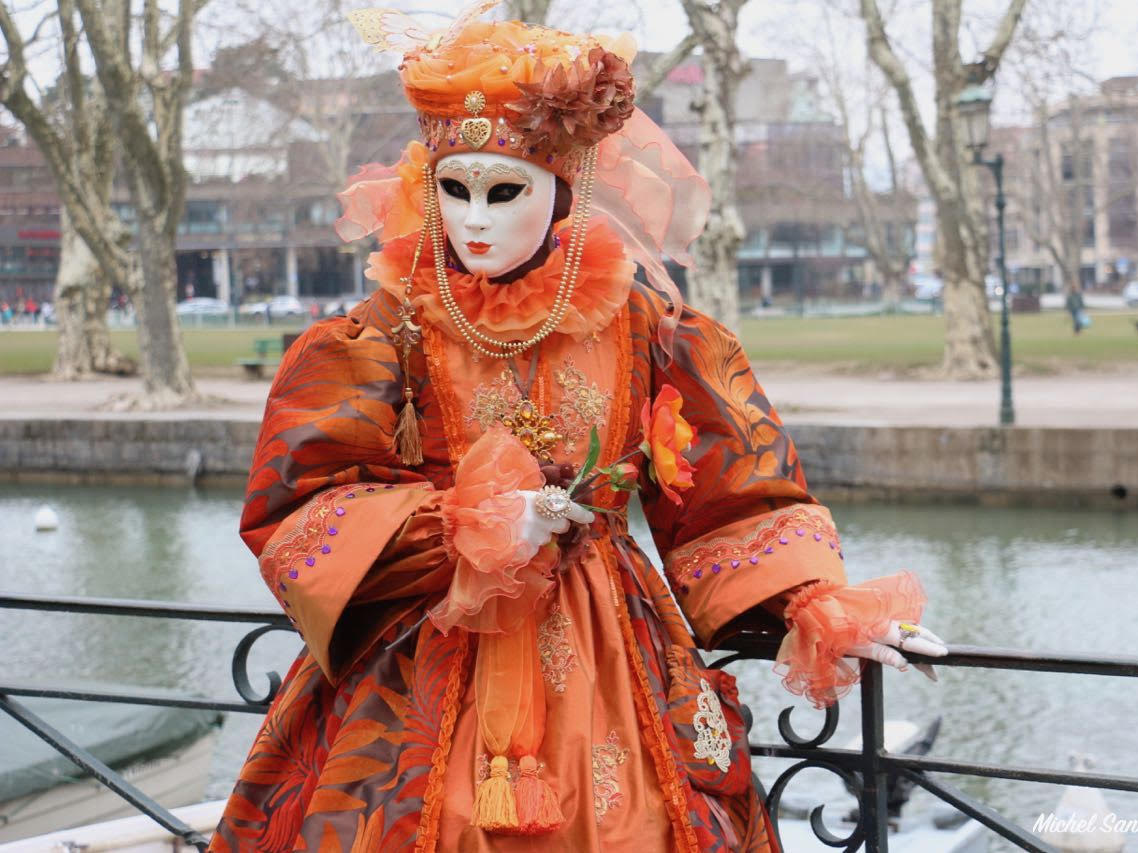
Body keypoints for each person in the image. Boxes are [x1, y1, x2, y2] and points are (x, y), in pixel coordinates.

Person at [211, 6, 945, 851]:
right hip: (429, 639)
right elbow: (306, 501)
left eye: (504, 190)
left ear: (561, 188)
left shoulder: (642, 323)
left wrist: (814, 601)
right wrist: (466, 529)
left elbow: (722, 487)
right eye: (455, 189)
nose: (474, 219)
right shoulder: (387, 328)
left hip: (608, 641)